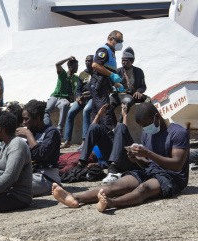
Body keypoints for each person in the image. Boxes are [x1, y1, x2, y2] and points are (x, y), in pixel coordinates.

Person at [52, 102, 190, 212]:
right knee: (115, 186)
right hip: (152, 171)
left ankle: (111, 203)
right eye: (142, 127)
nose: (145, 129)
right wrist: (137, 160)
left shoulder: (178, 133)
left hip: (172, 177)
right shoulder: (147, 134)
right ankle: (76, 198)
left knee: (143, 188)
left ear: (157, 117)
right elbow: (148, 164)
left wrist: (147, 154)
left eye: (147, 125)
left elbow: (177, 165)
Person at [75, 102, 142, 182]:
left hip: (127, 159)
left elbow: (124, 131)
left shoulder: (120, 128)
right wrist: (98, 116)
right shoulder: (105, 132)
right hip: (111, 159)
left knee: (121, 127)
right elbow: (91, 131)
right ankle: (80, 166)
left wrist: (124, 115)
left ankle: (113, 170)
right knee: (94, 127)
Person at [16, 100, 61, 196]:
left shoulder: (51, 132)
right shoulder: (33, 133)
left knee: (14, 187)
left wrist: (28, 135)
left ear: (37, 118)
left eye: (26, 119)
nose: (24, 123)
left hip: (47, 178)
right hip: (32, 175)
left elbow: (40, 154)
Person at [89, 30, 124, 137]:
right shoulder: (105, 50)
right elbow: (95, 65)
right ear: (110, 39)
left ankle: (92, 141)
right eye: (118, 40)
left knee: (96, 115)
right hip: (99, 87)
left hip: (103, 86)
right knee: (105, 113)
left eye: (122, 41)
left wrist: (116, 85)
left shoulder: (112, 53)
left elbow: (105, 74)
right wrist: (112, 75)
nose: (120, 43)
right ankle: (109, 140)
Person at [62, 55, 94, 148]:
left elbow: (98, 90)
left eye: (90, 61)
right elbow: (78, 89)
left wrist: (88, 96)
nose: (88, 63)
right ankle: (67, 140)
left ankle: (85, 140)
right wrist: (79, 97)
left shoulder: (97, 73)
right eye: (86, 61)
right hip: (82, 98)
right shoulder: (82, 74)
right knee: (71, 112)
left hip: (92, 98)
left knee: (86, 111)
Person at [110, 47, 147, 124]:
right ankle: (114, 126)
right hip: (118, 95)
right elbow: (112, 84)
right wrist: (114, 87)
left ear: (132, 61)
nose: (123, 62)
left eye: (125, 61)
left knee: (126, 103)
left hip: (129, 95)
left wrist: (138, 91)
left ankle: (119, 123)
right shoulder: (117, 71)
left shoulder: (138, 71)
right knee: (108, 105)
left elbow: (143, 86)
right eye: (122, 60)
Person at [44, 56, 79, 136]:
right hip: (55, 96)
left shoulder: (77, 78)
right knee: (48, 108)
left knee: (64, 105)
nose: (76, 68)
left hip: (64, 98)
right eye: (75, 66)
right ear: (69, 67)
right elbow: (57, 64)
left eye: (77, 66)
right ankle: (47, 126)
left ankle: (59, 129)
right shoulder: (63, 74)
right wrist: (68, 59)